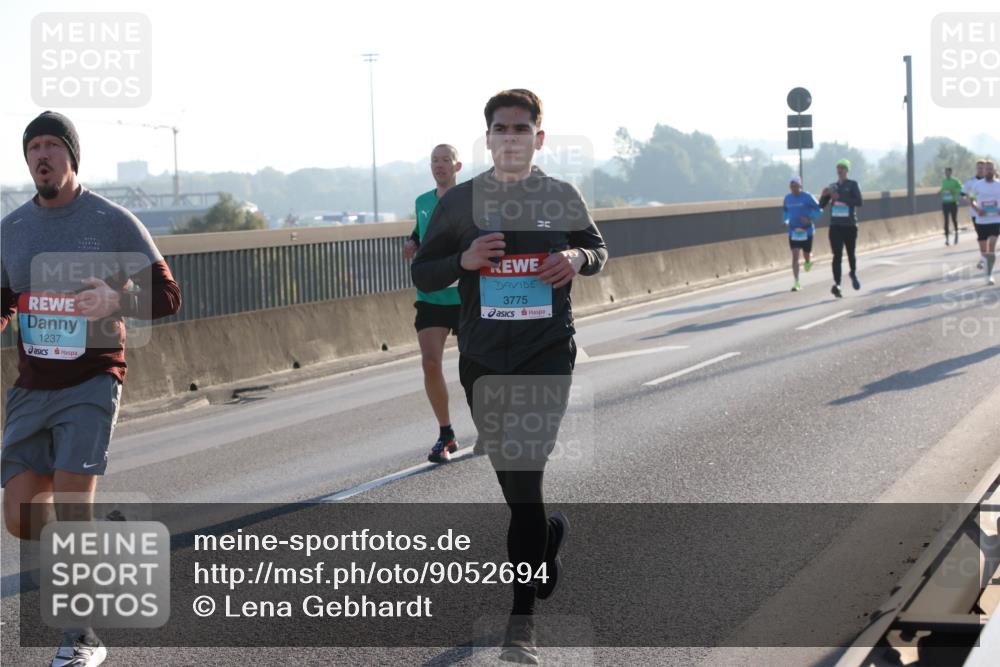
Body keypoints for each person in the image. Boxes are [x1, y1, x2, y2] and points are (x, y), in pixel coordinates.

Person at [411, 89, 607, 664]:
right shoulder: (461, 203)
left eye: (522, 129)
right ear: (488, 137)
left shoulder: (560, 195)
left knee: (524, 475)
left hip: (546, 353)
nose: (511, 138)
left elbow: (596, 249)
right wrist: (463, 260)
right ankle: (546, 536)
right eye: (501, 129)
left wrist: (575, 260)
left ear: (538, 138)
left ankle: (521, 626)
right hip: (483, 359)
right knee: (518, 489)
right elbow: (423, 269)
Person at [1, 111, 182, 667]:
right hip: (32, 385)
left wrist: (116, 299)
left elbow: (168, 296)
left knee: (71, 506)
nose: (42, 155)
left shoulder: (112, 221)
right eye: (33, 147)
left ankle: (81, 636)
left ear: (71, 157)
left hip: (91, 379)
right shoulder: (11, 229)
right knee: (21, 517)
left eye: (52, 145)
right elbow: (3, 299)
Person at [404, 144, 464, 463]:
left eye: (445, 160)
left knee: (476, 365)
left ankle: (492, 423)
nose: (439, 165)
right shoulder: (422, 202)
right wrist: (412, 242)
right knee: (430, 363)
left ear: (457, 166)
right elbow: (419, 231)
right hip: (432, 295)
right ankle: (446, 433)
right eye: (434, 161)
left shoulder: (469, 200)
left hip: (467, 295)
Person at [819, 159, 863, 298]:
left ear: (847, 170)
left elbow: (859, 201)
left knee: (851, 253)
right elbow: (821, 206)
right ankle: (837, 284)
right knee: (836, 255)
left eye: (843, 168)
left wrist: (841, 198)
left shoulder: (853, 184)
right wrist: (824, 196)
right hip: (835, 226)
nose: (840, 170)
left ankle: (853, 272)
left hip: (849, 225)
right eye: (838, 167)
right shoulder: (832, 187)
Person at [782, 176, 821, 291]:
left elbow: (819, 209)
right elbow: (786, 212)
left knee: (806, 254)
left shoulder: (807, 197)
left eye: (796, 186)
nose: (794, 189)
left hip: (806, 230)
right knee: (795, 256)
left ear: (801, 186)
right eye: (792, 187)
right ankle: (796, 282)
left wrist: (810, 218)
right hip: (793, 231)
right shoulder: (787, 198)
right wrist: (786, 221)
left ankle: (808, 261)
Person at [968, 159, 1000, 285]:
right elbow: (972, 200)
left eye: (990, 169)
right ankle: (986, 271)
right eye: (986, 169)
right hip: (981, 221)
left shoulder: (999, 184)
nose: (988, 171)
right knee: (984, 251)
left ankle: (989, 275)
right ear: (983, 171)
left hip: (995, 220)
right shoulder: (977, 185)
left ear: (995, 170)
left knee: (991, 245)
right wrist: (977, 209)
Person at [962, 159, 988, 269]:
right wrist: (969, 201)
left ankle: (986, 256)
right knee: (981, 237)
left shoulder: (991, 181)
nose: (980, 169)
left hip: (991, 214)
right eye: (978, 167)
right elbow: (963, 194)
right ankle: (984, 257)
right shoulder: (970, 182)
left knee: (990, 236)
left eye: (982, 167)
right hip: (975, 214)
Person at [940, 166, 962, 246]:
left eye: (948, 172)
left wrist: (953, 191)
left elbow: (961, 189)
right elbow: (942, 189)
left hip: (953, 202)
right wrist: (940, 192)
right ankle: (947, 238)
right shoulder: (943, 181)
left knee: (954, 219)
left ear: (951, 172)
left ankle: (956, 232)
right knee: (946, 220)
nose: (946, 173)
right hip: (945, 203)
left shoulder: (955, 181)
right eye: (945, 172)